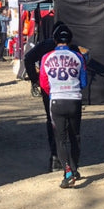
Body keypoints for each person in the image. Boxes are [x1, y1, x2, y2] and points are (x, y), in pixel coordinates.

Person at [24, 21, 81, 172]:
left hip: (49, 89)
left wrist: (34, 79)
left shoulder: (46, 45)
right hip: (70, 91)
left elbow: (28, 58)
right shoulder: (72, 48)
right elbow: (82, 66)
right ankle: (71, 162)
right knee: (72, 126)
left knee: (53, 122)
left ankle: (56, 157)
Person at [38, 24, 87, 188]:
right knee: (75, 136)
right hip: (74, 100)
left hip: (56, 100)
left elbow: (43, 83)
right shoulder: (78, 57)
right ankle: (74, 169)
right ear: (70, 40)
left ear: (55, 40)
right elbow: (84, 82)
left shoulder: (46, 57)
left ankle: (67, 172)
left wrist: (53, 91)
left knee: (60, 138)